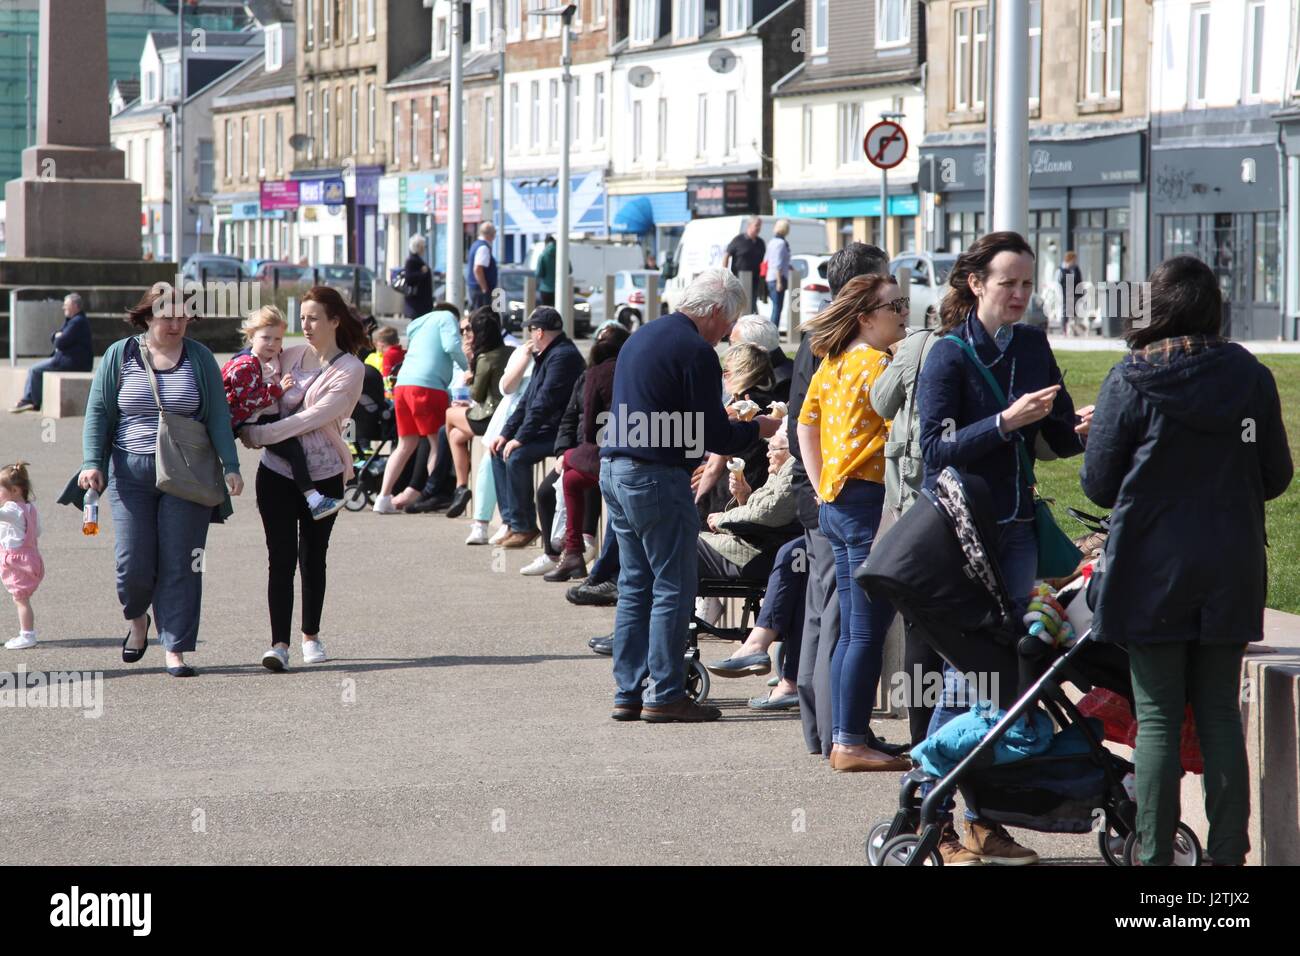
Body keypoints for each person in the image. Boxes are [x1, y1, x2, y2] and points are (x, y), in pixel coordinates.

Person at [1080, 255, 1292, 867]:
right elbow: (1275, 474)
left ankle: (1155, 863)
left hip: (1148, 571)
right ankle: (1228, 859)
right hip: (1228, 566)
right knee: (1221, 713)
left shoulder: (1129, 379)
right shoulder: (1249, 377)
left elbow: (1097, 484)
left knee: (1157, 720)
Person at [916, 230, 1086, 865]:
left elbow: (1060, 435)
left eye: (1026, 284)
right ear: (975, 284)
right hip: (966, 534)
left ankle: (983, 818)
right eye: (1007, 283)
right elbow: (935, 450)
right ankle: (932, 812)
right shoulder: (948, 355)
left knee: (1009, 673)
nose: (1019, 295)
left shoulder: (1036, 345)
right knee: (972, 669)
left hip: (1017, 529)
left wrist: (1082, 428)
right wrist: (1004, 422)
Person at [600, 267, 781, 723]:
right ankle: (664, 693)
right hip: (655, 477)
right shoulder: (695, 350)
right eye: (727, 323)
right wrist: (758, 429)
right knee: (673, 587)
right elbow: (712, 431)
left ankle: (628, 690)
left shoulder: (643, 336)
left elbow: (675, 418)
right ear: (716, 311)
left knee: (635, 585)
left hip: (617, 468)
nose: (724, 335)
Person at [63, 285, 243, 678]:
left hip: (186, 474)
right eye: (168, 316)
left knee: (182, 560)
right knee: (133, 564)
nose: (177, 323)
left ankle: (175, 647)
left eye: (183, 317)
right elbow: (98, 413)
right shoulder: (120, 355)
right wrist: (92, 462)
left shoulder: (199, 358)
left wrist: (231, 464)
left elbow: (217, 416)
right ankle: (138, 620)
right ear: (147, 317)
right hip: (130, 472)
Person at [796, 273, 910, 773]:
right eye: (894, 305)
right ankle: (849, 742)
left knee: (850, 630)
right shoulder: (879, 366)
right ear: (866, 317)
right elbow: (904, 435)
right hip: (868, 504)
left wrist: (822, 482)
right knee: (866, 629)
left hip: (837, 504)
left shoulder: (832, 362)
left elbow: (804, 423)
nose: (904, 311)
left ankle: (850, 734)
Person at [239, 287, 366, 671]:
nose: (305, 326)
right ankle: (279, 644)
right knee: (280, 558)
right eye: (303, 317)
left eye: (313, 318)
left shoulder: (350, 369)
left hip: (323, 475)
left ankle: (311, 635)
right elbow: (264, 392)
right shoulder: (289, 354)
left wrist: (258, 435)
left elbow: (308, 420)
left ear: (334, 321)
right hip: (276, 472)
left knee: (313, 556)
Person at [869, 308, 943, 746]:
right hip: (982, 503)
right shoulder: (1004, 345)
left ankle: (923, 743)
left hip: (917, 496)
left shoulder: (916, 345)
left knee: (920, 621)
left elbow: (880, 401)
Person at [222, 307, 342, 521]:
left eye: (277, 339)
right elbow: (249, 399)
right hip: (254, 422)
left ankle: (301, 498)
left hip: (265, 418)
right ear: (251, 337)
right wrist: (277, 390)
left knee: (292, 453)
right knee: (294, 452)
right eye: (265, 338)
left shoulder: (270, 360)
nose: (272, 344)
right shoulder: (245, 365)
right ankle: (314, 500)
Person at [488, 306, 584, 548]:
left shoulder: (563, 356)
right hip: (546, 428)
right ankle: (512, 521)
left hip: (562, 433)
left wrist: (520, 438)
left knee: (516, 456)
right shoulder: (546, 355)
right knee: (498, 450)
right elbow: (526, 401)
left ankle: (525, 527)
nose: (529, 336)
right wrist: (506, 433)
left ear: (539, 332)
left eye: (530, 331)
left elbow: (545, 403)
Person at [545, 322, 631, 583]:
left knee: (571, 464)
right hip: (641, 450)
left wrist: (566, 451)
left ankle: (573, 551)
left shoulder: (597, 373)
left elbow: (590, 426)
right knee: (570, 478)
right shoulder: (636, 369)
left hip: (608, 453)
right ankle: (575, 550)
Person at [409, 307, 513, 518]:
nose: (465, 334)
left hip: (489, 417)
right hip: (501, 415)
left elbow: (479, 394)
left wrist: (470, 375)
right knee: (454, 435)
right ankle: (456, 487)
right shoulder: (509, 351)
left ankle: (459, 486)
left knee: (449, 415)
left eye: (469, 330)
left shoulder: (485, 357)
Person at [374, 304, 466, 513]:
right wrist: (470, 368)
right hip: (428, 385)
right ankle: (434, 493)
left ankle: (383, 497)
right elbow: (451, 346)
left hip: (402, 385)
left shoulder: (417, 323)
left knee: (405, 444)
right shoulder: (446, 317)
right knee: (436, 443)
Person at [464, 341, 533, 544]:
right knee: (490, 459)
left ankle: (503, 523)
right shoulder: (521, 351)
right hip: (507, 419)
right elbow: (507, 387)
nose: (466, 336)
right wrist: (525, 357)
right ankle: (488, 524)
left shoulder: (555, 357)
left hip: (525, 423)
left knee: (498, 459)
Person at [11, 293, 93, 413]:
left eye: (66, 305)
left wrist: (58, 336)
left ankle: (32, 401)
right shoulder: (73, 321)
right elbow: (56, 336)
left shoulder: (78, 322)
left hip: (72, 362)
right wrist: (57, 336)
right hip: (66, 359)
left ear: (75, 306)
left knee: (35, 370)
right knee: (35, 369)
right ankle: (30, 400)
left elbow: (60, 342)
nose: (63, 308)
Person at [0, 462, 44, 650]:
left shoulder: (12, 509)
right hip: (30, 559)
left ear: (15, 490)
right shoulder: (29, 508)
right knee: (21, 598)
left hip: (17, 563)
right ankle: (27, 633)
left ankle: (27, 635)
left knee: (20, 600)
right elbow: (37, 531)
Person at [730, 313, 792, 401]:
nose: (730, 351)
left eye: (733, 344)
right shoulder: (793, 370)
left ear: (751, 350)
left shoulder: (762, 387)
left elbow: (705, 413)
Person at [723, 216, 766, 309]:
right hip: (739, 279)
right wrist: (724, 272)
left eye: (760, 226)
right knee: (740, 305)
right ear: (749, 225)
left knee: (752, 304)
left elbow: (763, 262)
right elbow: (726, 255)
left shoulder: (760, 243)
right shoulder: (738, 240)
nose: (759, 228)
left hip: (754, 280)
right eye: (756, 225)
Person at [763, 219, 792, 327]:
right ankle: (773, 331)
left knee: (776, 306)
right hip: (777, 279)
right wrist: (779, 282)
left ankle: (772, 331)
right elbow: (777, 263)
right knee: (777, 307)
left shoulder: (772, 241)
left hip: (770, 277)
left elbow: (767, 260)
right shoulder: (781, 243)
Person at [466, 222, 498, 312]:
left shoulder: (476, 244)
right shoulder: (483, 247)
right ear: (490, 234)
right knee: (482, 316)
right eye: (494, 233)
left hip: (476, 289)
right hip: (480, 291)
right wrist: (484, 289)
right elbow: (478, 269)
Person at [402, 236, 434, 319]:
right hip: (417, 302)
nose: (424, 249)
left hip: (422, 302)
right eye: (422, 246)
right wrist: (422, 273)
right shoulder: (412, 260)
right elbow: (409, 278)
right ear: (417, 247)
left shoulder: (418, 259)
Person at [1056, 251, 1084, 336]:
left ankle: (1074, 330)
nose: (1075, 262)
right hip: (1065, 294)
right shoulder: (1061, 270)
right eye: (1073, 260)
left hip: (1075, 294)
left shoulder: (1075, 269)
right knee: (1066, 313)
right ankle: (1064, 330)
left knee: (1075, 313)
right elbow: (1058, 283)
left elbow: (1079, 281)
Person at [535, 234, 558, 307]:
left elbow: (539, 273)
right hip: (559, 289)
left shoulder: (543, 255)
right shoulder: (561, 253)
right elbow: (569, 270)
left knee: (546, 311)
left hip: (545, 289)